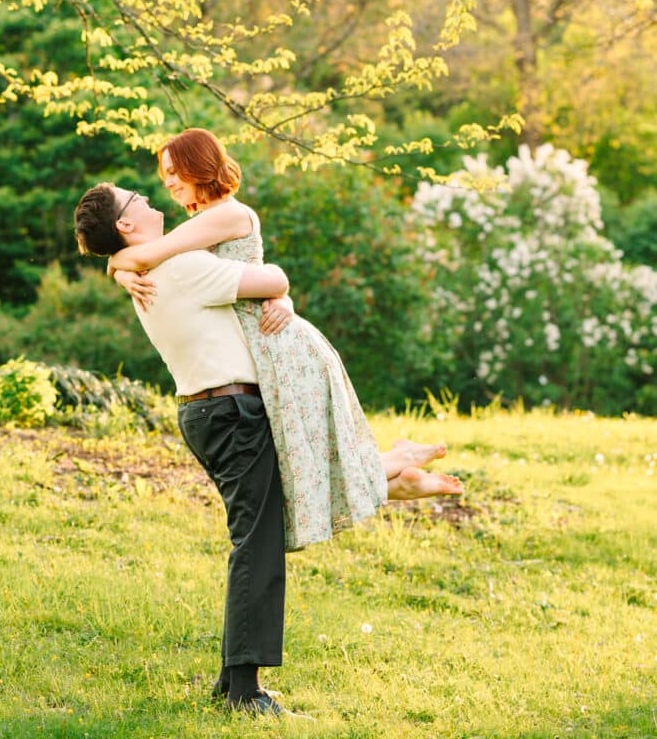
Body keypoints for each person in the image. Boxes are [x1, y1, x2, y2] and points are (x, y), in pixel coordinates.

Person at [74, 183, 462, 718]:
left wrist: (119, 263)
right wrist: (279, 292)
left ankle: (233, 680)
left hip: (212, 411)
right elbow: (272, 278)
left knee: (258, 536)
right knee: (257, 545)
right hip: (230, 411)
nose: (145, 197)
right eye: (134, 197)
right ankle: (244, 693)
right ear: (124, 223)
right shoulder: (180, 268)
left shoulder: (146, 271)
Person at [106, 128, 462, 556]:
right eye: (165, 178)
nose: (168, 184)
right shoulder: (200, 224)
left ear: (198, 165)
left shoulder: (225, 215)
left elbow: (148, 254)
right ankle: (395, 475)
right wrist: (120, 269)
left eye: (173, 173)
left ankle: (394, 467)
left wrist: (118, 266)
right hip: (266, 346)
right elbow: (162, 258)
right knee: (298, 469)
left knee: (302, 460)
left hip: (282, 347)